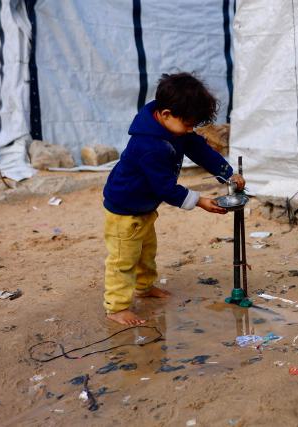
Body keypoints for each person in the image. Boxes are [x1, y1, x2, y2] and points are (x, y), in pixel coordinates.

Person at [102, 72, 244, 325]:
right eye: (188, 124)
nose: (190, 130)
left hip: (144, 206)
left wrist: (227, 174)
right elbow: (165, 188)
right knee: (123, 259)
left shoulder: (174, 129)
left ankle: (144, 288)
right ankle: (116, 306)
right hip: (124, 210)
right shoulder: (149, 146)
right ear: (166, 114)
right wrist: (199, 200)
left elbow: (199, 149)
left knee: (146, 251)